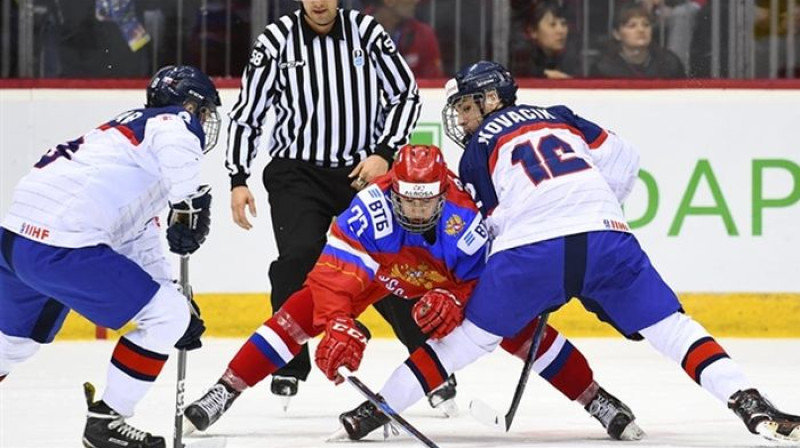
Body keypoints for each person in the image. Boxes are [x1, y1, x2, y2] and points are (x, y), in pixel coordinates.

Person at [317, 60, 800, 444]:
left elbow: (490, 223)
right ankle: (750, 404)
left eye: (467, 106)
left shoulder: (476, 149)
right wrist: (593, 208)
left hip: (531, 251)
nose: (462, 118)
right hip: (606, 236)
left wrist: (536, 265)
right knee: (673, 329)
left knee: (462, 344)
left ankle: (376, 410)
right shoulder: (560, 115)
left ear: (490, 99)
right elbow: (625, 158)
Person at [182, 144, 644, 441]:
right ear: (392, 189)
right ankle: (224, 390)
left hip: (447, 278)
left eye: (427, 199)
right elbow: (332, 276)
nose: (417, 208)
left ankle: (596, 398)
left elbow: (493, 283)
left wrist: (457, 300)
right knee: (297, 313)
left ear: (443, 193)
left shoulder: (464, 218)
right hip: (381, 270)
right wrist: (340, 320)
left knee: (522, 330)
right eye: (408, 198)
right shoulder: (368, 208)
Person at [0, 65, 219, 448]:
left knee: (12, 345)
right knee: (164, 315)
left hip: (16, 242)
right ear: (188, 104)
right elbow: (176, 139)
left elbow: (138, 239)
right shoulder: (170, 123)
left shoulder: (125, 153)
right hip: (60, 245)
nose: (202, 121)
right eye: (202, 111)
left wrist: (174, 295)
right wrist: (192, 199)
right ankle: (107, 423)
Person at [224, 0, 423, 408]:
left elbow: (406, 95)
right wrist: (237, 177)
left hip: (361, 170)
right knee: (298, 259)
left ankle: (426, 360)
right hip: (297, 172)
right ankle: (288, 364)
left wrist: (385, 151)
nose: (319, 2)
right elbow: (248, 113)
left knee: (386, 263)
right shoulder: (276, 40)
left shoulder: (367, 33)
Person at [590, 3, 686, 78]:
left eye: (646, 25)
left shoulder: (669, 63)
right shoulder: (603, 68)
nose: (641, 30)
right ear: (617, 34)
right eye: (632, 26)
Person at [368, 0, 445, 78]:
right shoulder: (357, 28)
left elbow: (433, 83)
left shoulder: (423, 34)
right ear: (388, 1)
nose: (416, 1)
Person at [510, 0, 580, 79]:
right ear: (533, 31)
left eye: (563, 24)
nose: (561, 31)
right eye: (552, 25)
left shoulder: (569, 60)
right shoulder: (522, 61)